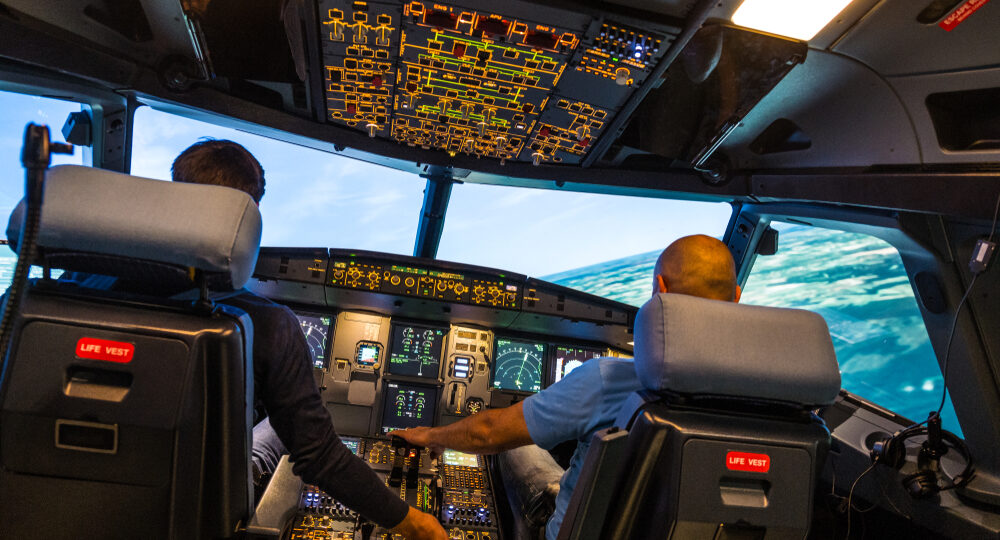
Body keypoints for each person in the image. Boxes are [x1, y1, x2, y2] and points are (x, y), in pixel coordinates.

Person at [70, 140, 447, 540]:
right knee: (284, 426)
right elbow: (319, 455)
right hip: (193, 509)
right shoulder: (267, 323)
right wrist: (414, 522)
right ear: (246, 220)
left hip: (71, 491)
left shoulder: (76, 283)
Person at [395, 234, 741, 540]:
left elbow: (488, 432)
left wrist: (432, 436)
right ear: (737, 297)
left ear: (660, 290)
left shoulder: (609, 380)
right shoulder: (766, 394)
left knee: (518, 447)